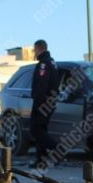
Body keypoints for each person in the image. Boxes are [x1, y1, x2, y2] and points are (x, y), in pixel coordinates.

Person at [29, 39, 59, 168]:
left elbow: (42, 85)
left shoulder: (44, 64)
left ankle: (57, 149)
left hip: (42, 102)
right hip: (49, 101)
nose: (34, 52)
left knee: (35, 129)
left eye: (34, 50)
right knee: (41, 129)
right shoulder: (52, 62)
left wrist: (38, 101)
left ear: (39, 48)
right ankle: (41, 160)